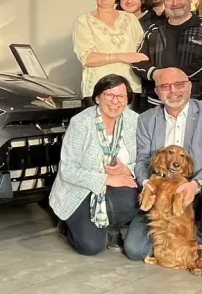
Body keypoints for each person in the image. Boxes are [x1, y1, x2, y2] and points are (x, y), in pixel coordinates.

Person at [123, 67, 202, 277]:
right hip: (163, 194)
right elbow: (141, 160)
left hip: (199, 188)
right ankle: (173, 241)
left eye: (179, 85)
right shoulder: (147, 119)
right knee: (135, 250)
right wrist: (147, 182)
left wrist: (195, 184)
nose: (173, 91)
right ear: (157, 92)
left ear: (189, 87)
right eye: (165, 86)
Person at [49, 75, 140, 255]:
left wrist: (128, 168)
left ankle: (112, 228)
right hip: (80, 189)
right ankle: (66, 225)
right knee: (91, 247)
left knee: (134, 198)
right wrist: (106, 179)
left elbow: (145, 159)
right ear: (97, 97)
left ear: (128, 100)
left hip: (117, 188)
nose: (115, 101)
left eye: (121, 96)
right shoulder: (80, 123)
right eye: (108, 95)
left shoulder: (135, 120)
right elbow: (68, 171)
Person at [132, 0, 202, 107]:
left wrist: (174, 78)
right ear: (164, 1)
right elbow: (138, 62)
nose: (175, 3)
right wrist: (156, 74)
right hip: (157, 104)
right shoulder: (154, 30)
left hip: (196, 101)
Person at [72, 0, 146, 104]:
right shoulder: (84, 21)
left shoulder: (130, 19)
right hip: (98, 89)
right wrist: (121, 56)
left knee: (128, 125)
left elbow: (140, 52)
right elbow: (87, 58)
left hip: (129, 89)